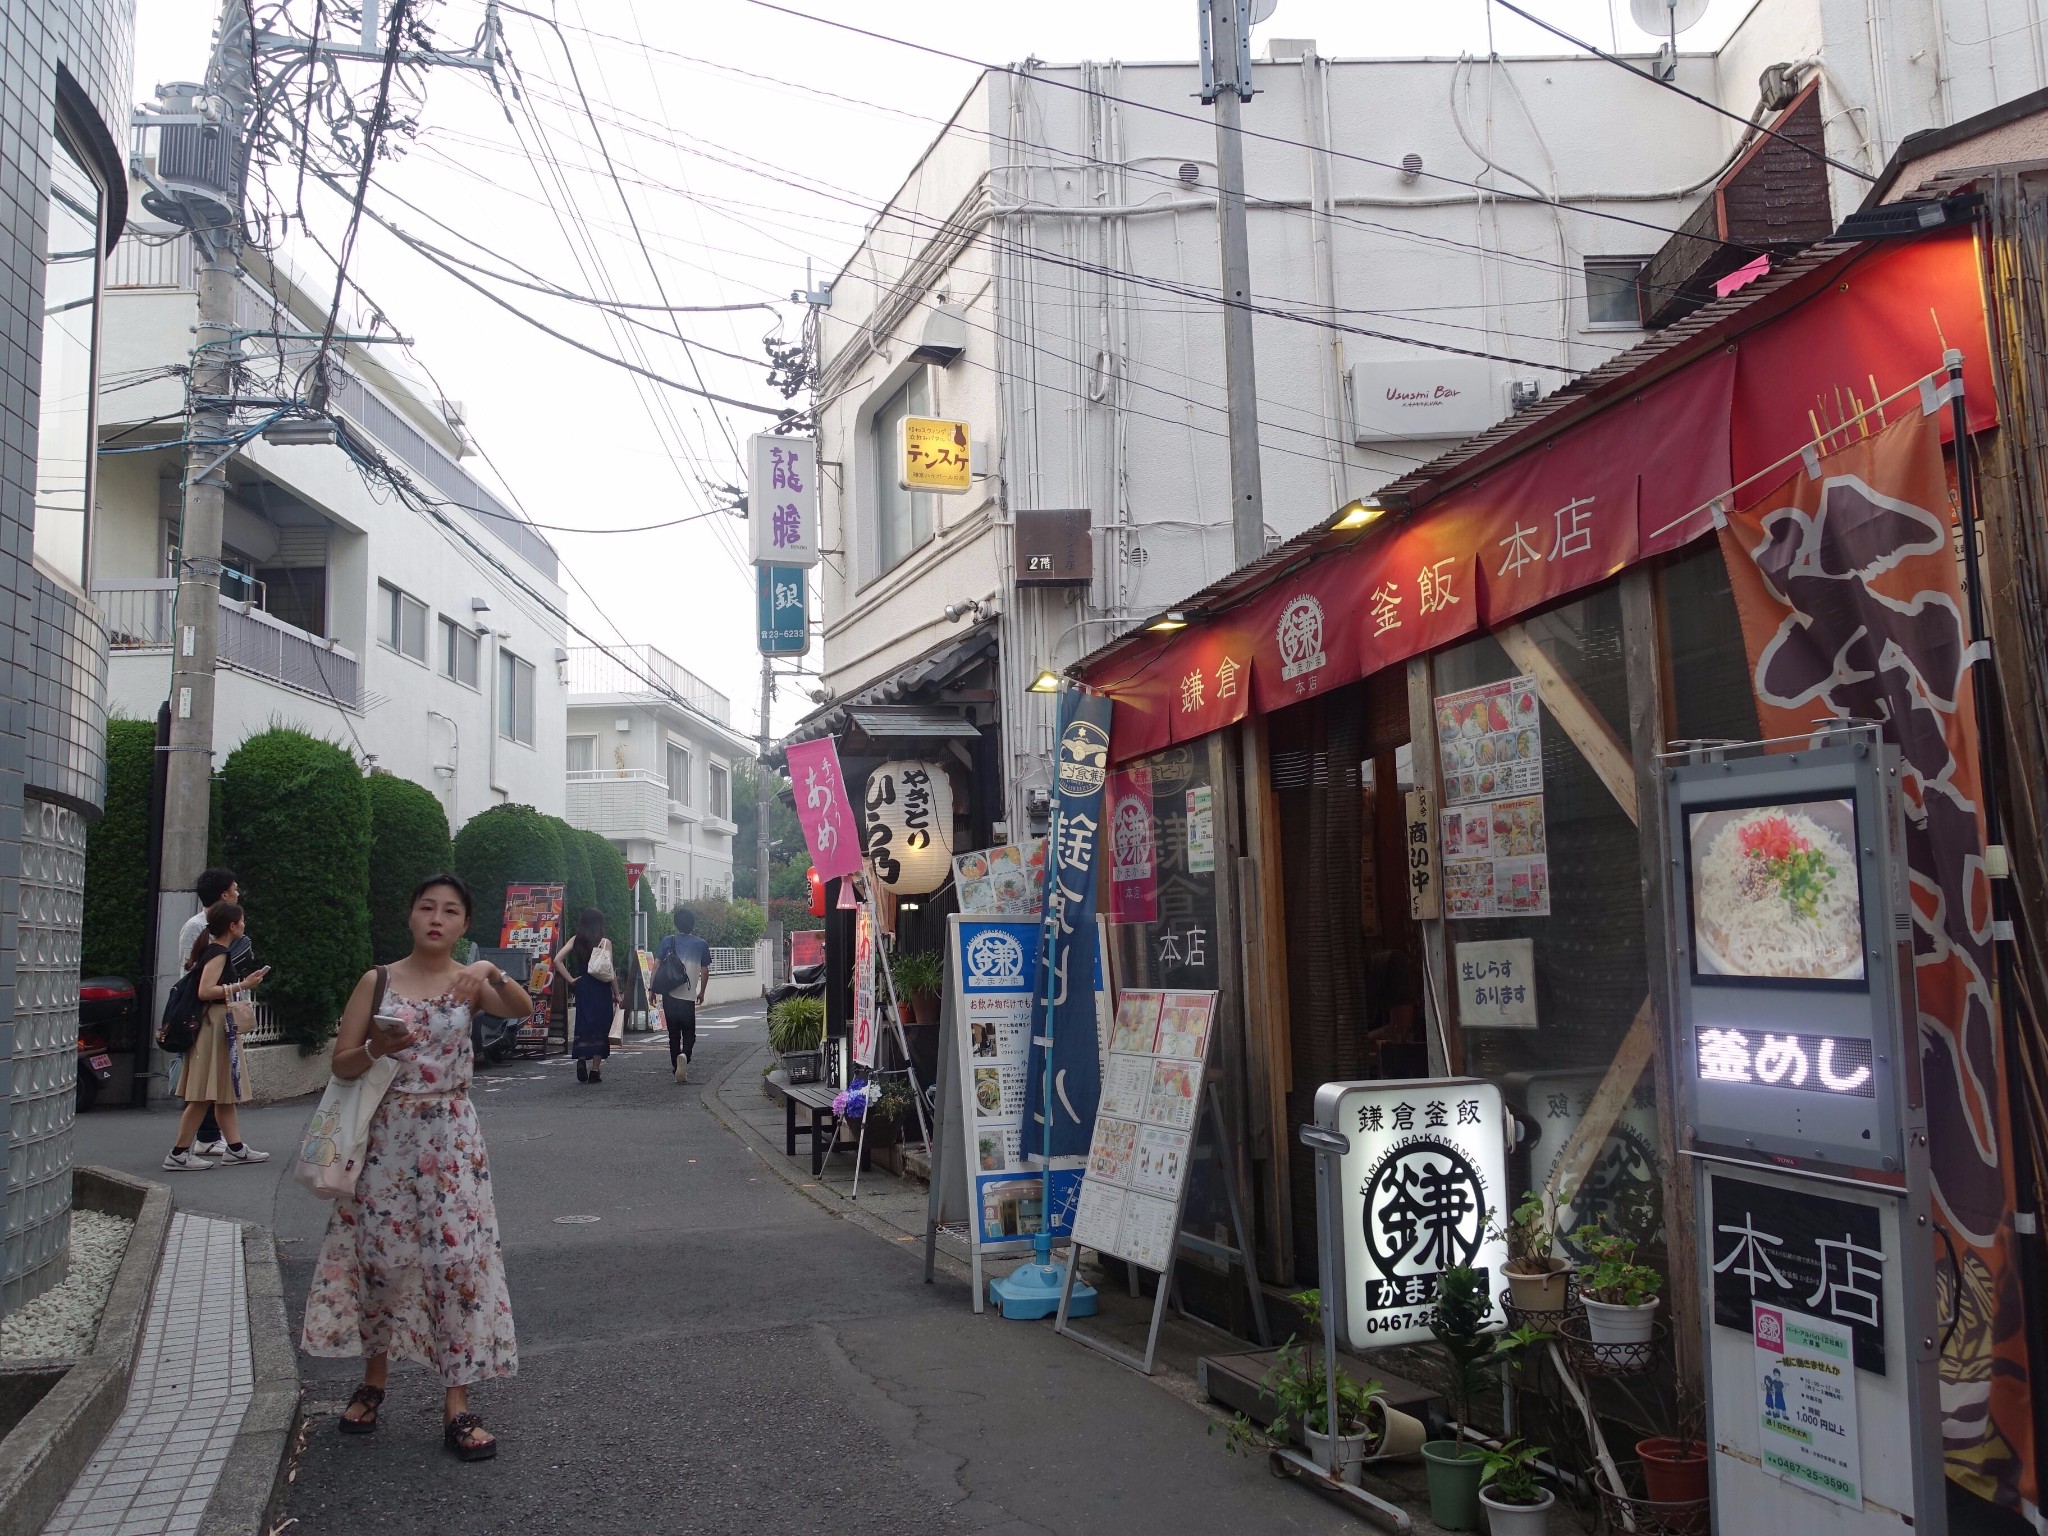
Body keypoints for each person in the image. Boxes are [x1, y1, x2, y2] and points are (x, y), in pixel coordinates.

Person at [301, 873, 529, 1461]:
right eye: (426, 906)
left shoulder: (470, 982)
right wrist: (381, 1047)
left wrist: (490, 971)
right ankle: (374, 1380)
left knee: (456, 1264)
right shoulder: (377, 980)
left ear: (463, 925)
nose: (436, 917)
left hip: (453, 1141)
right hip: (386, 1139)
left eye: (450, 911)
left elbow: (522, 1007)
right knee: (382, 1258)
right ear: (409, 916)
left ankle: (458, 1403)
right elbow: (343, 1064)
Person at [162, 902, 271, 1172]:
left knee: (223, 1092)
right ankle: (178, 1153)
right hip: (214, 1028)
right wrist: (243, 985)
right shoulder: (219, 954)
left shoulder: (212, 951)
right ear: (232, 925)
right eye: (242, 920)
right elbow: (205, 991)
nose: (244, 924)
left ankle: (234, 1148)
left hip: (217, 1028)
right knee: (203, 1094)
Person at [176, 868, 239, 1155]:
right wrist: (236, 987)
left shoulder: (224, 929)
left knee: (221, 1082)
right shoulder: (198, 927)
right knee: (205, 1083)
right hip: (203, 1013)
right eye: (234, 888)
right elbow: (194, 975)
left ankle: (227, 1142)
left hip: (221, 1010)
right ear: (224, 894)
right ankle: (197, 1142)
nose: (238, 892)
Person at [555, 908, 622, 1083]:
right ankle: (595, 1071)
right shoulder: (605, 942)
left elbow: (557, 960)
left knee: (584, 1023)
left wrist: (570, 979)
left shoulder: (576, 939)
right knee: (600, 1026)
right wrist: (617, 994)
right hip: (601, 988)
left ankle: (582, 1059)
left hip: (583, 986)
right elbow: (610, 972)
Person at [655, 908, 710, 1084]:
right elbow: (704, 970)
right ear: (692, 924)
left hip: (669, 995)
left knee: (673, 1035)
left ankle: (675, 1066)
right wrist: (701, 991)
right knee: (689, 1033)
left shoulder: (667, 941)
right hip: (687, 997)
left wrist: (651, 989)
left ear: (676, 924)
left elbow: (656, 966)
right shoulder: (701, 944)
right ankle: (685, 1055)